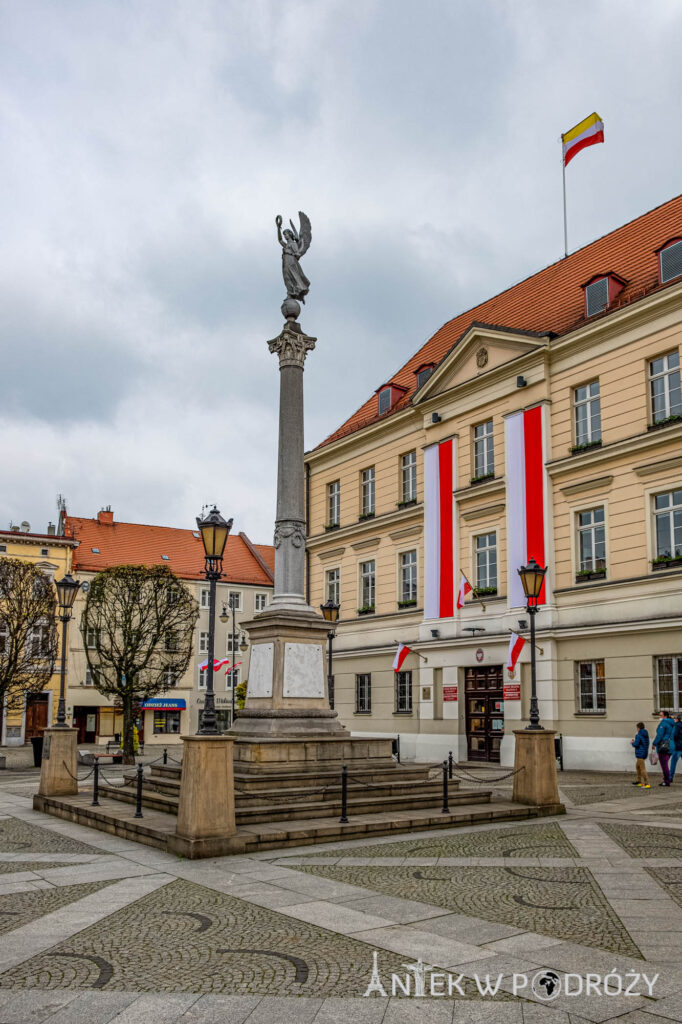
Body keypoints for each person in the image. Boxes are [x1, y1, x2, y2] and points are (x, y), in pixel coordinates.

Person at [653, 710, 676, 786]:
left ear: (665, 716)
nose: (659, 717)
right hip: (671, 745)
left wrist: (654, 743)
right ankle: (666, 779)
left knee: (664, 765)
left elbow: (659, 735)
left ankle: (667, 781)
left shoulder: (663, 723)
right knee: (665, 763)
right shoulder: (673, 723)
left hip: (664, 746)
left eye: (661, 715)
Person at [631, 722, 650, 788]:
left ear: (638, 728)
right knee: (638, 767)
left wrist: (632, 743)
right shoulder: (645, 734)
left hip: (640, 753)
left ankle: (647, 783)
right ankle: (639, 781)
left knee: (642, 769)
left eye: (637, 728)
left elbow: (636, 744)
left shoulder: (639, 735)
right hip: (644, 752)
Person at [670, 714, 682, 783]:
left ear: (677, 719)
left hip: (678, 747)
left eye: (674, 718)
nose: (674, 720)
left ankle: (670, 777)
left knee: (673, 762)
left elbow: (675, 735)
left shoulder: (677, 726)